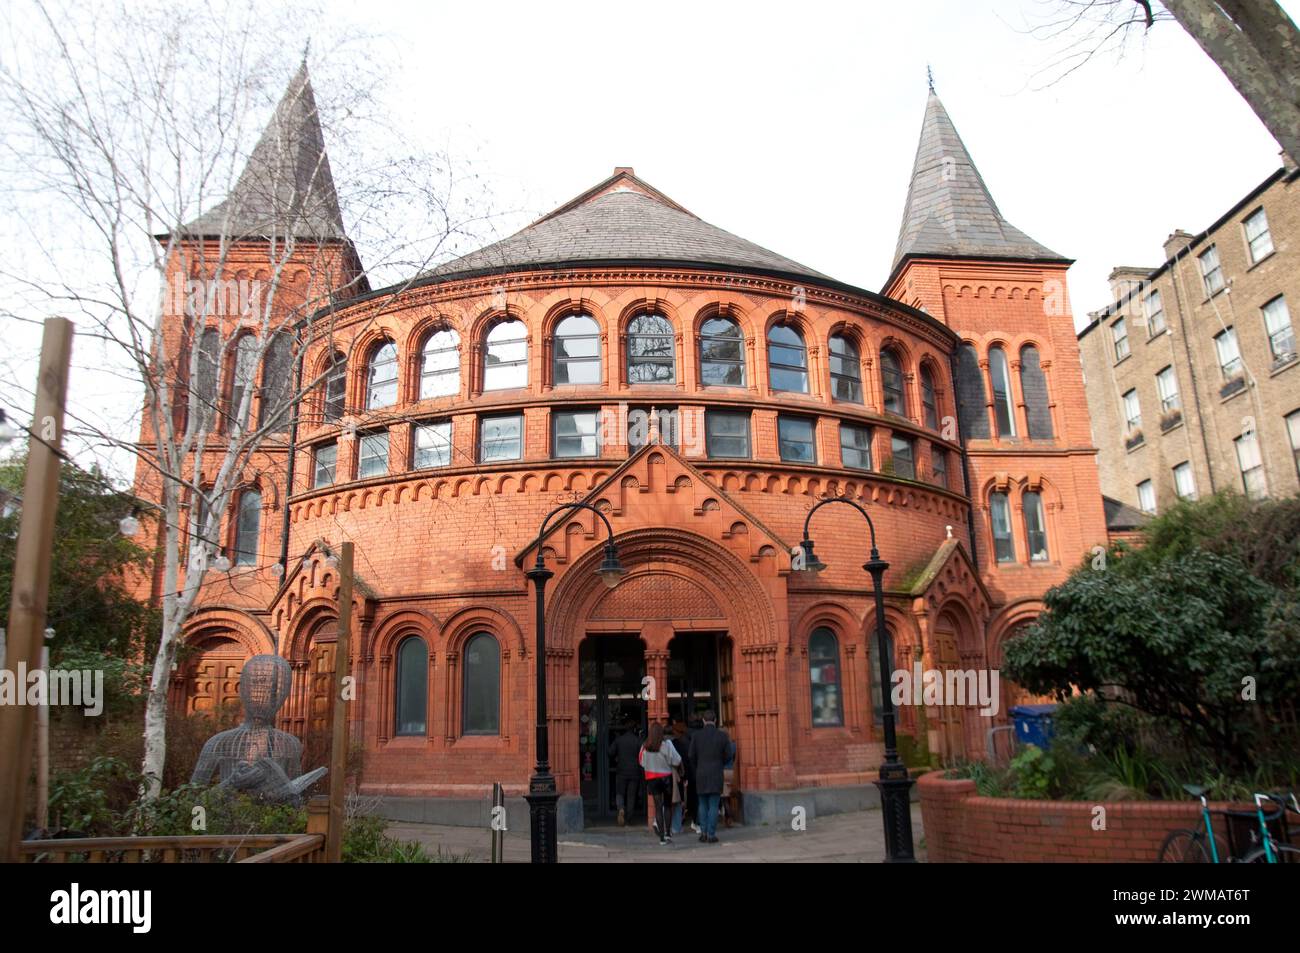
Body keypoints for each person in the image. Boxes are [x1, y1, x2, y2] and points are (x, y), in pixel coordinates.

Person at [688, 710, 731, 843]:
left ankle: (703, 833)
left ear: (703, 721)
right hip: (716, 773)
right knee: (713, 805)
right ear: (716, 720)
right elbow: (728, 756)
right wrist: (719, 763)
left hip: (701, 773)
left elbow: (691, 755)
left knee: (702, 804)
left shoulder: (696, 736)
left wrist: (698, 766)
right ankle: (711, 834)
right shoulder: (722, 736)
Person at [638, 721, 682, 845]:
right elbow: (677, 760)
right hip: (666, 778)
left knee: (658, 807)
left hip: (652, 779)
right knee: (667, 806)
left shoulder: (645, 746)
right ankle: (668, 834)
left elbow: (641, 762)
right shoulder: (667, 744)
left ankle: (661, 837)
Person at [608, 720, 642, 826]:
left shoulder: (619, 740)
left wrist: (617, 758)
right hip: (634, 771)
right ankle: (629, 819)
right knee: (631, 796)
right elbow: (643, 755)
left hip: (621, 771)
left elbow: (610, 752)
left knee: (620, 793)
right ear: (634, 729)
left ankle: (621, 808)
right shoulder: (638, 740)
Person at [669, 719, 691, 835]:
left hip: (673, 775)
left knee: (672, 802)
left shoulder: (674, 744)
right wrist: (686, 776)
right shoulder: (687, 743)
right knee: (680, 801)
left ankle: (670, 825)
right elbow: (686, 762)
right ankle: (677, 825)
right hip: (681, 775)